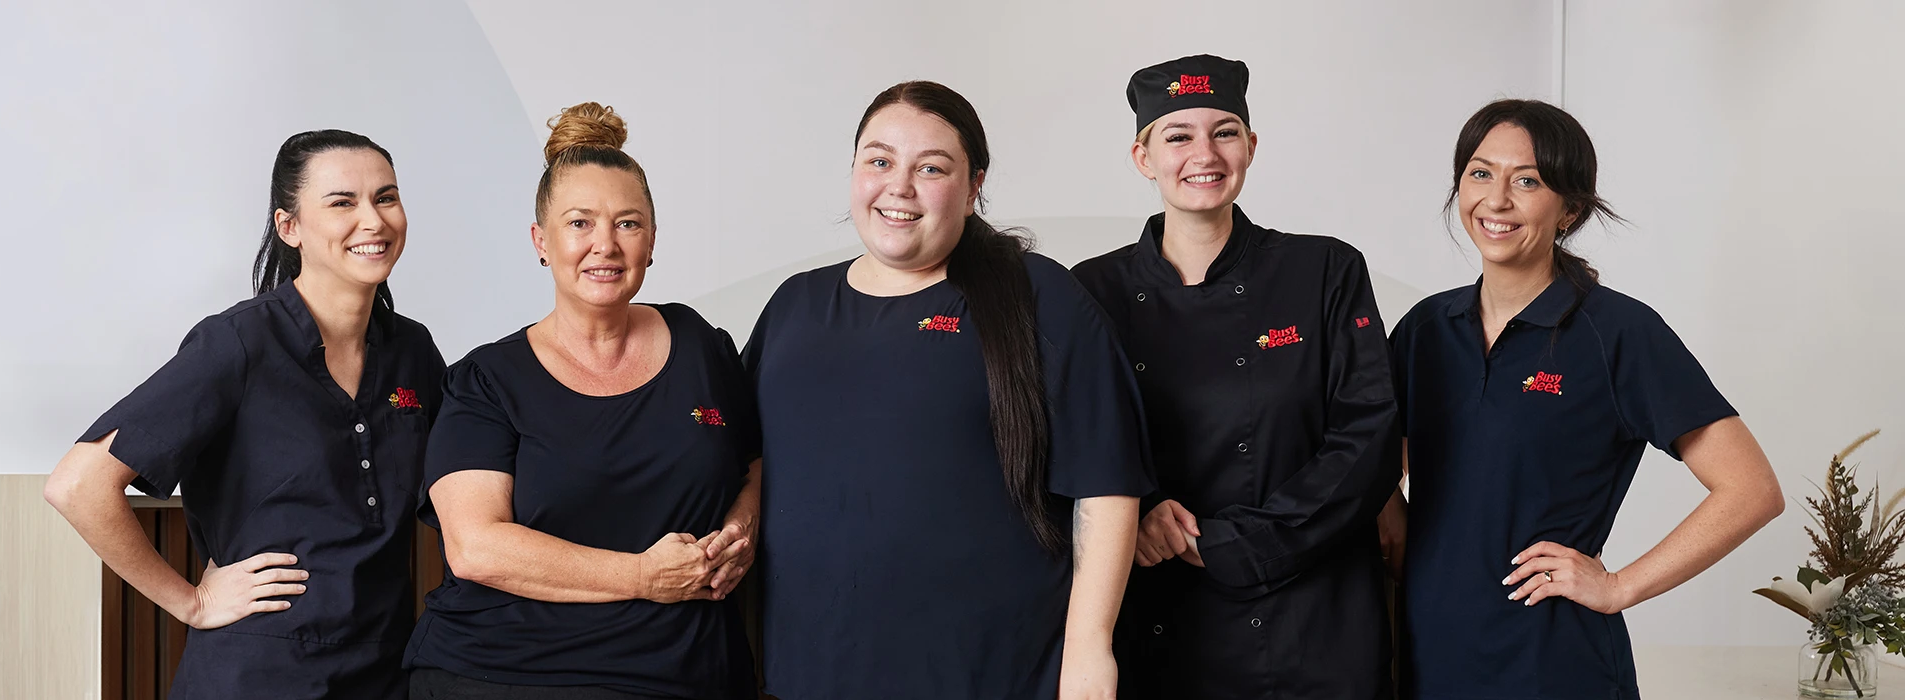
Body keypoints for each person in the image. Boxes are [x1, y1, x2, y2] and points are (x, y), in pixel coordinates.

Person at [744, 80, 1149, 699]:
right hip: (806, 674)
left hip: (993, 674)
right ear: (854, 170)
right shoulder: (795, 306)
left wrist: (1089, 653)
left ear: (974, 186)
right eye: (879, 161)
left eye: (930, 168)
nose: (898, 187)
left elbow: (1106, 487)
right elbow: (740, 462)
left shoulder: (1037, 297)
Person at [1385, 99, 1784, 699]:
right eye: (1480, 172)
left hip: (1552, 661)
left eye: (1527, 181)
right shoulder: (1425, 328)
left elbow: (1752, 489)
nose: (1497, 200)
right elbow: (1378, 472)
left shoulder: (1618, 333)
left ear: (1569, 209)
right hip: (1424, 653)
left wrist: (1620, 585)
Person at [44, 129, 443, 699]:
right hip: (257, 675)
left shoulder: (413, 351)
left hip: (385, 671)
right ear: (290, 227)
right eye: (342, 203)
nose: (373, 220)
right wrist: (192, 600)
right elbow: (77, 485)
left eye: (386, 197)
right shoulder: (237, 344)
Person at [402, 103, 758, 700]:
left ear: (652, 240)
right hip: (503, 671)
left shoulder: (702, 347)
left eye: (627, 223)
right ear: (541, 241)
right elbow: (475, 547)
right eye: (579, 223)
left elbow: (752, 461)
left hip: (684, 670)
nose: (605, 245)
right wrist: (643, 576)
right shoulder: (486, 379)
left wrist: (739, 533)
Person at [1071, 54, 1399, 699]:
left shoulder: (1324, 270)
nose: (1205, 153)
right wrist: (1135, 516)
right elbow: (1071, 442)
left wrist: (1241, 541)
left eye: (1224, 131)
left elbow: (1369, 437)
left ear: (1251, 146)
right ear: (1143, 157)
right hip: (1156, 615)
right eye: (1178, 135)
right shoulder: (1091, 291)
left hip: (1311, 620)